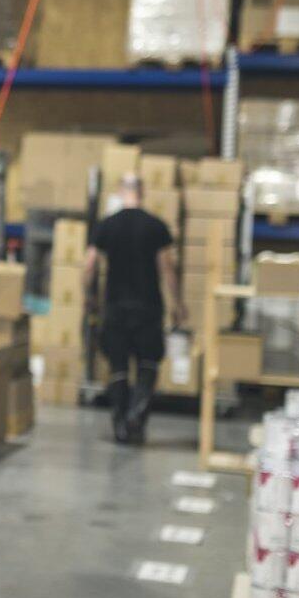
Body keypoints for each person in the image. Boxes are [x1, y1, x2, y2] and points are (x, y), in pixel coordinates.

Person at [82, 173, 183, 445]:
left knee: (118, 365)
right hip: (148, 306)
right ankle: (137, 414)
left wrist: (89, 297)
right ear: (142, 191)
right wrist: (177, 304)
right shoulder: (156, 226)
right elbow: (167, 269)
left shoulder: (106, 225)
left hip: (115, 306)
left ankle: (119, 422)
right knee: (148, 362)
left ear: (120, 191)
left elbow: (89, 265)